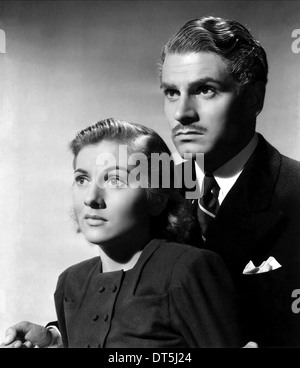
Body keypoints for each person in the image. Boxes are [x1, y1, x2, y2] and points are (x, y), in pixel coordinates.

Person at [1, 118, 241, 348]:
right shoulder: (70, 282)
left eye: (115, 179)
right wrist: (54, 340)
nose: (91, 198)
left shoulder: (187, 268)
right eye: (82, 179)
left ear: (156, 197)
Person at [158, 16, 300, 347]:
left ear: (254, 99)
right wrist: (57, 334)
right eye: (171, 92)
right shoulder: (155, 186)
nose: (182, 113)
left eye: (205, 89)